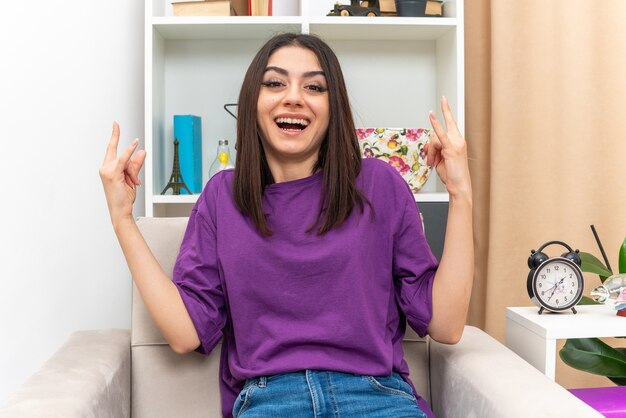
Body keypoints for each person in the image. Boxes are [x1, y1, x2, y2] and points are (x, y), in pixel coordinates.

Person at [99, 33, 473, 418]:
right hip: (271, 401)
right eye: (275, 82)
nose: (293, 96)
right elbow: (184, 334)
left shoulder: (380, 184)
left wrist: (461, 194)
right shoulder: (221, 198)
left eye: (314, 86)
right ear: (252, 102)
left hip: (376, 397)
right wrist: (122, 219)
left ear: (333, 108)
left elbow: (446, 326)